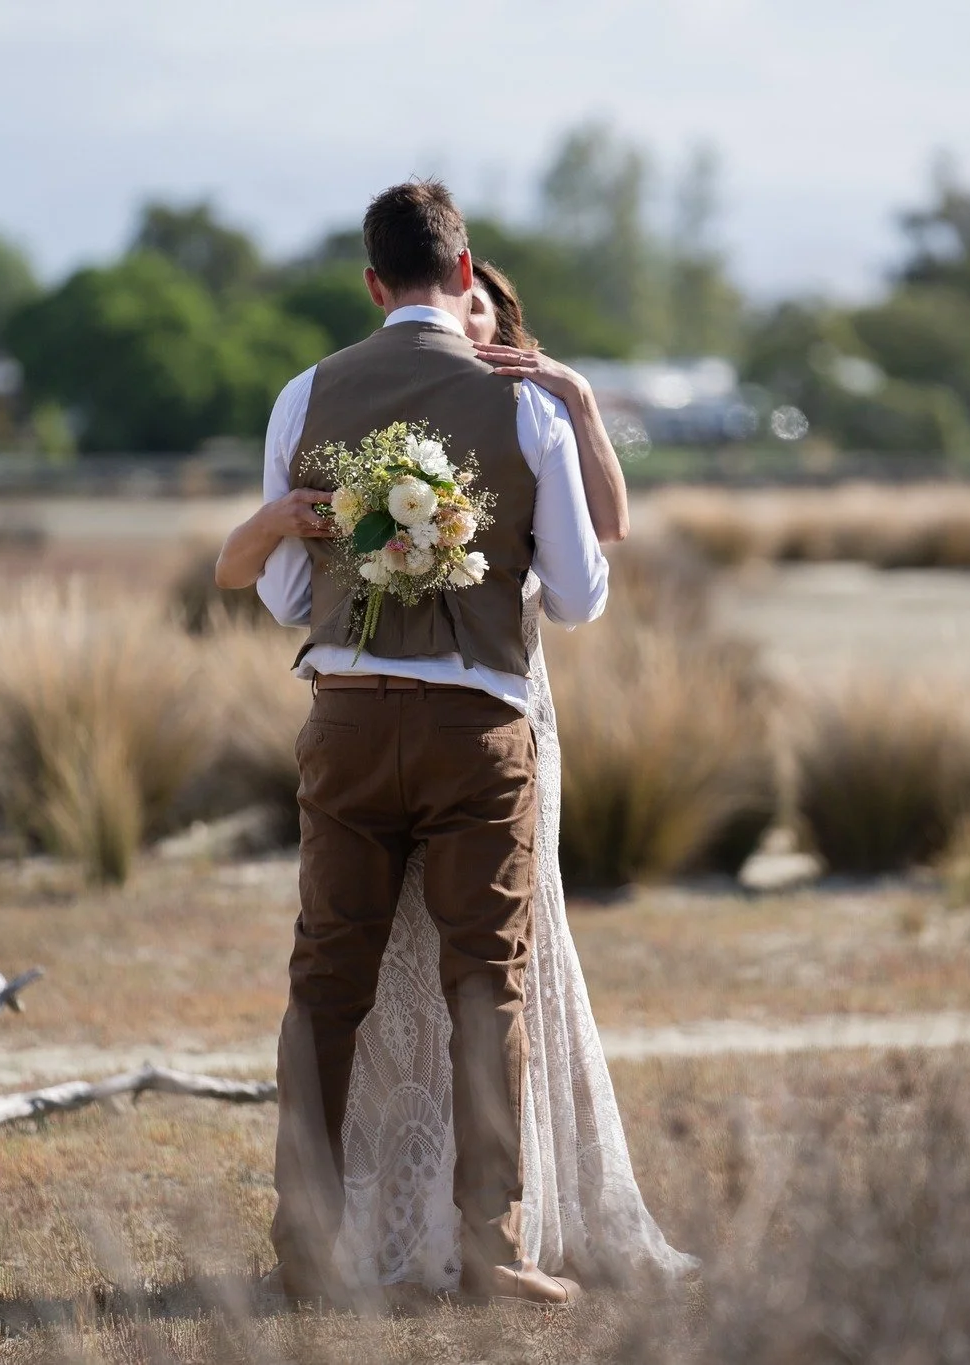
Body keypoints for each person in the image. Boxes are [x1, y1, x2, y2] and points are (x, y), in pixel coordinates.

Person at [214, 180, 691, 1307]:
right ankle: (492, 1244)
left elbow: (285, 595)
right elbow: (575, 599)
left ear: (373, 284)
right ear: (464, 274)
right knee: (490, 983)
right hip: (478, 729)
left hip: (343, 718)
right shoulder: (522, 406)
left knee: (326, 983)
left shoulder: (305, 394)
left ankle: (306, 1245)